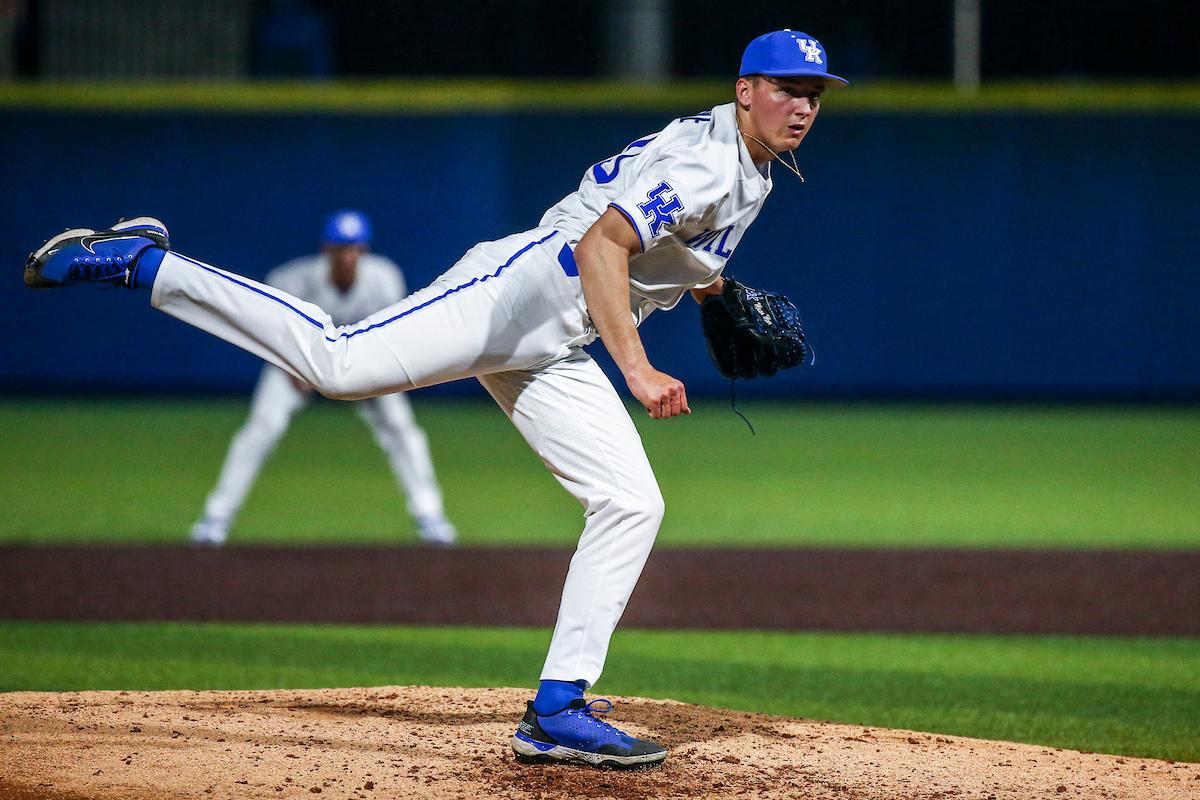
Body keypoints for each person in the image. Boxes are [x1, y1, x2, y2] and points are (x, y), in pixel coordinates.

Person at [24, 29, 846, 769]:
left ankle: (557, 709)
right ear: (746, 90)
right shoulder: (710, 160)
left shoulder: (746, 163)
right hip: (523, 292)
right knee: (339, 364)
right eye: (787, 89)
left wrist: (713, 293)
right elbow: (605, 245)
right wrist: (637, 369)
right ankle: (145, 263)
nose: (802, 106)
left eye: (813, 94)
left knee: (631, 503)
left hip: (562, 338)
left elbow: (663, 245)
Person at [189, 210, 458, 548]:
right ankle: (216, 517)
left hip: (363, 364)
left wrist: (370, 378)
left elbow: (392, 336)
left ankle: (430, 516)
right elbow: (270, 329)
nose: (347, 255)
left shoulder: (383, 278)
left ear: (363, 250)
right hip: (298, 365)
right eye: (340, 247)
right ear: (326, 249)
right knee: (262, 428)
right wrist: (293, 367)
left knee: (402, 428)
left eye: (353, 247)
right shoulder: (291, 279)